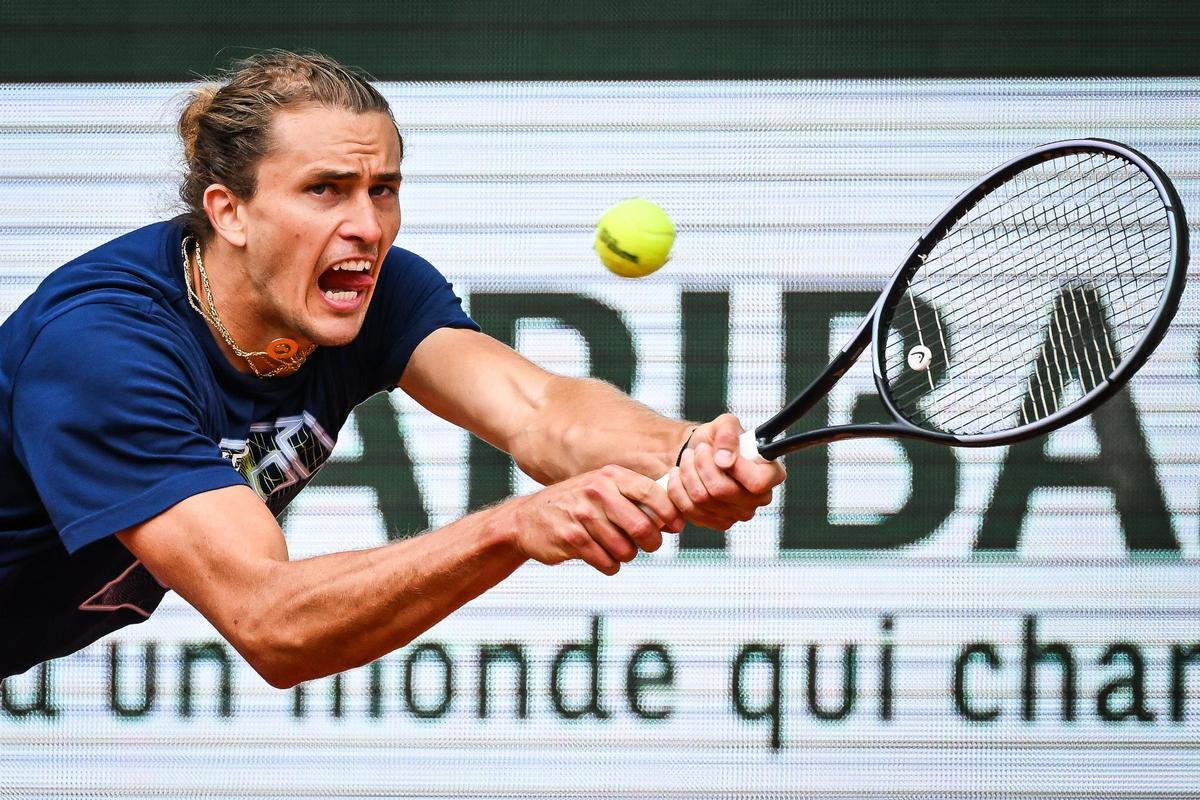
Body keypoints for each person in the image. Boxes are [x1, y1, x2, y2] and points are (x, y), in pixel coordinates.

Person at [0, 51, 785, 687]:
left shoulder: (374, 291)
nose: (367, 226)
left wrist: (684, 453)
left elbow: (540, 411)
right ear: (228, 211)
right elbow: (273, 624)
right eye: (325, 192)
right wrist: (512, 525)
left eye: (383, 190)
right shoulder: (102, 351)